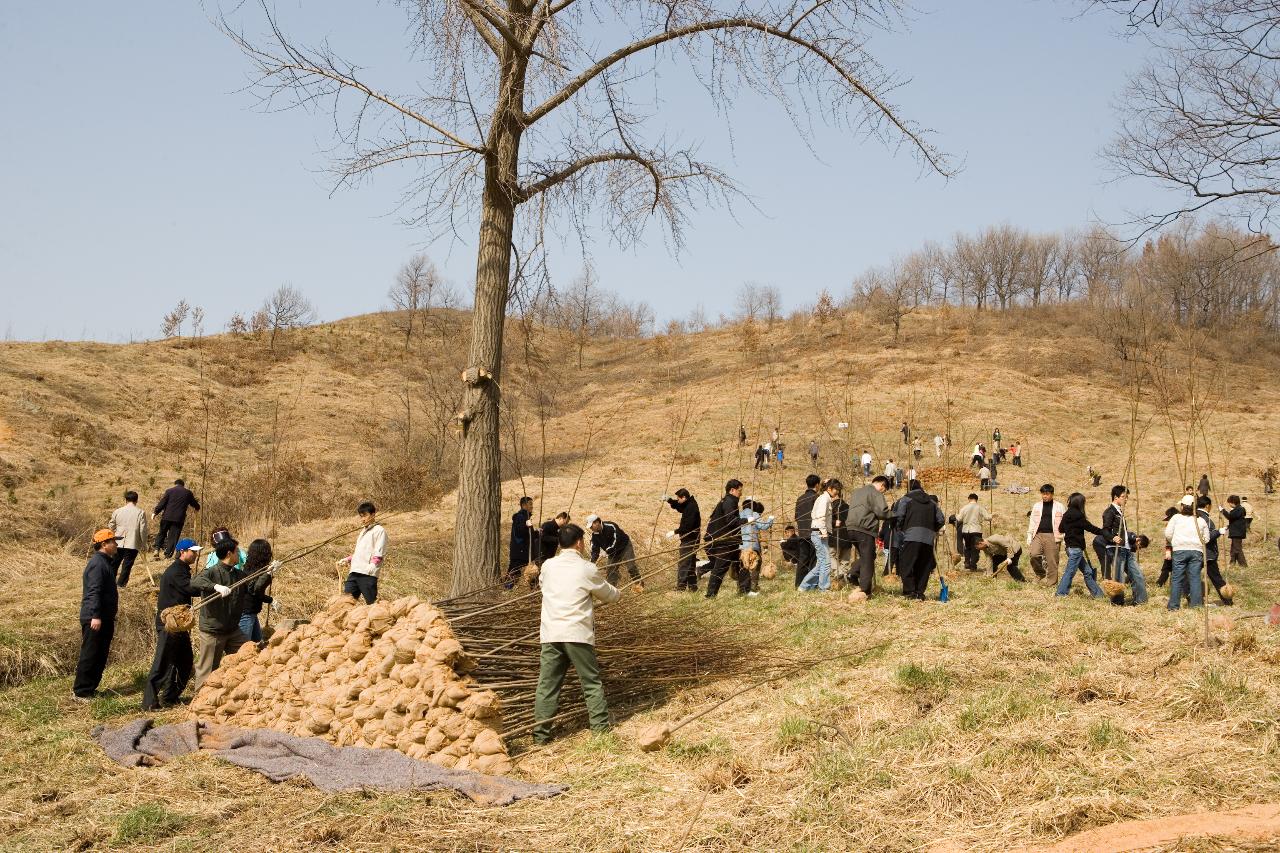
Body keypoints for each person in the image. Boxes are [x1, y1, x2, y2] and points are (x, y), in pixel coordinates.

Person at [532, 523, 620, 745]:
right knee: (591, 683)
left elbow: (544, 586)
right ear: (580, 542)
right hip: (577, 634)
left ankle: (540, 736)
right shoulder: (586, 568)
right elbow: (608, 595)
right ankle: (600, 732)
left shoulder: (549, 566)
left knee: (547, 685)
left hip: (551, 633)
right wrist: (619, 593)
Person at [190, 536, 272, 691]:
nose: (240, 555)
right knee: (207, 668)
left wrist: (268, 573)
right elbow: (194, 582)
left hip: (233, 630)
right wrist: (215, 587)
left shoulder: (238, 574)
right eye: (237, 552)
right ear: (229, 553)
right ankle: (200, 701)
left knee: (248, 655)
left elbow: (254, 588)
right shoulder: (212, 572)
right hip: (213, 630)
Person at [143, 538, 199, 710]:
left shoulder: (182, 570)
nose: (196, 554)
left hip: (179, 625)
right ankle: (149, 703)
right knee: (162, 664)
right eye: (193, 551)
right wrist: (212, 585)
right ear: (182, 552)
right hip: (169, 625)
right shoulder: (176, 572)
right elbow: (192, 589)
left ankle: (170, 697)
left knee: (185, 662)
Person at [74, 529, 121, 699]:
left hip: (104, 617)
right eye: (113, 541)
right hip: (95, 618)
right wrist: (95, 615)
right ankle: (81, 692)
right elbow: (93, 591)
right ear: (104, 544)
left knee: (100, 654)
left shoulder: (105, 562)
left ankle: (90, 689)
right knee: (91, 654)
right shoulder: (97, 564)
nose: (116, 544)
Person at [1098, 486, 1148, 606]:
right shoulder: (1109, 512)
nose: (1126, 499)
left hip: (1126, 549)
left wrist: (1130, 540)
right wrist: (1112, 537)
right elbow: (1104, 530)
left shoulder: (1120, 511)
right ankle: (1117, 603)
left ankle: (1140, 601)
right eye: (1124, 497)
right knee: (1118, 579)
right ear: (1116, 497)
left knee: (1138, 575)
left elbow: (1123, 532)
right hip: (1115, 549)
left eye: (1127, 497)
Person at [895, 481, 945, 600]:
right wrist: (932, 530)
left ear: (908, 488)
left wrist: (901, 529)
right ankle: (919, 592)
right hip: (928, 538)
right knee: (924, 566)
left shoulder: (906, 499)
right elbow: (941, 519)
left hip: (911, 535)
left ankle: (909, 592)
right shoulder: (932, 502)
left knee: (906, 563)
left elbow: (899, 516)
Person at [1055, 493, 1108, 599]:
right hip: (1076, 549)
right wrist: (1105, 532)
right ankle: (1060, 593)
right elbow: (1090, 528)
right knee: (1070, 572)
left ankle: (1098, 595)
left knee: (1087, 572)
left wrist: (1071, 528)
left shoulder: (1067, 514)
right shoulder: (1078, 515)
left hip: (1069, 548)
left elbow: (1061, 529)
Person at [846, 476, 890, 596]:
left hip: (850, 528)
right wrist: (894, 515)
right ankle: (865, 589)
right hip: (865, 529)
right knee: (868, 559)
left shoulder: (857, 492)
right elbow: (882, 512)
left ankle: (853, 572)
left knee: (868, 556)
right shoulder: (875, 493)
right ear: (882, 485)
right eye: (884, 490)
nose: (883, 492)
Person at [1165, 495, 1210, 610]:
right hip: (1196, 551)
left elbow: (1168, 533)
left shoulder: (1176, 518)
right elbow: (1206, 538)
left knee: (1177, 578)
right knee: (1195, 578)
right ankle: (1196, 606)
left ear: (1183, 506)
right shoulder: (1200, 520)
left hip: (1180, 550)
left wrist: (1175, 542)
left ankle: (1174, 606)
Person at [336, 502, 387, 604]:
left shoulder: (379, 531)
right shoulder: (363, 532)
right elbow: (360, 552)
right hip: (354, 572)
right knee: (345, 603)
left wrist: (373, 564)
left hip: (367, 573)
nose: (363, 519)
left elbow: (379, 551)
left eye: (365, 515)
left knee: (371, 603)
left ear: (373, 515)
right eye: (361, 516)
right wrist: (348, 559)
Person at [703, 480, 746, 597]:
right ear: (732, 490)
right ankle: (710, 595)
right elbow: (731, 521)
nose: (741, 493)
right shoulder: (729, 501)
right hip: (724, 542)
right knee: (720, 568)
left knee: (740, 564)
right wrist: (746, 521)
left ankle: (744, 590)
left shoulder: (727, 501)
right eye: (739, 490)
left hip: (727, 541)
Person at [799, 480, 839, 591]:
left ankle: (804, 587)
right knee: (826, 563)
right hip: (819, 533)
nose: (837, 492)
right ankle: (824, 588)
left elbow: (814, 514)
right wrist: (823, 531)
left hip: (818, 533)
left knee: (821, 563)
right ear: (829, 488)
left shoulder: (824, 499)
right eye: (836, 489)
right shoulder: (824, 499)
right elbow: (820, 516)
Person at [588, 515, 643, 589]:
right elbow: (594, 550)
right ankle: (612, 591)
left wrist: (607, 550)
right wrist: (592, 562)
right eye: (590, 527)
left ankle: (639, 584)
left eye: (592, 526)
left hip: (624, 547)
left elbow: (616, 541)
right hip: (612, 553)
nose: (591, 528)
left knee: (631, 567)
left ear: (597, 522)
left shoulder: (611, 526)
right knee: (610, 571)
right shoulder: (594, 535)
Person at [237, 539, 275, 644]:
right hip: (246, 612)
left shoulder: (249, 567)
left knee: (258, 643)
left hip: (250, 611)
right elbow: (256, 590)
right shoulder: (259, 571)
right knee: (244, 646)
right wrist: (268, 575)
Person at [151, 478, 200, 559]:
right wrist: (197, 507)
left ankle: (157, 548)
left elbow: (162, 503)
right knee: (173, 537)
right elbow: (194, 504)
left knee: (162, 533)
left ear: (175, 484)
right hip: (179, 518)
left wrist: (155, 512)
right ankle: (167, 554)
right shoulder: (188, 493)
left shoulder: (169, 491)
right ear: (183, 485)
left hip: (166, 516)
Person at [108, 490, 148, 588]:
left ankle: (109, 583)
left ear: (125, 500)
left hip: (118, 541)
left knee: (114, 563)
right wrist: (143, 543)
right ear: (136, 500)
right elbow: (143, 530)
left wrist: (115, 532)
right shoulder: (140, 512)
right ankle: (121, 585)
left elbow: (110, 525)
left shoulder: (118, 511)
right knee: (127, 565)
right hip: (133, 542)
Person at [1026, 484, 1065, 584]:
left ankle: (1051, 582)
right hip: (1038, 534)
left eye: (1047, 494)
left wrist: (1064, 536)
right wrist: (1029, 536)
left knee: (1052, 561)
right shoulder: (1037, 506)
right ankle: (1040, 573)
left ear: (1052, 494)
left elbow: (1065, 522)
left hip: (1053, 535)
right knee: (1034, 554)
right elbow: (1032, 521)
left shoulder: (1059, 506)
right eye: (1043, 494)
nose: (1044, 496)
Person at [664, 490, 702, 592]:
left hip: (690, 539)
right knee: (690, 563)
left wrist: (675, 532)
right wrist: (669, 501)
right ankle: (693, 587)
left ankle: (680, 588)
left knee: (684, 563)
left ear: (684, 497)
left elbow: (688, 526)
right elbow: (680, 507)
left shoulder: (692, 508)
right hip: (692, 539)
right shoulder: (689, 504)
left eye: (678, 498)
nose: (677, 500)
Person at [740, 499, 774, 596]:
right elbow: (764, 526)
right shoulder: (754, 514)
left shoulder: (739, 514)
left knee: (743, 567)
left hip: (741, 546)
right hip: (752, 545)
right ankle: (753, 588)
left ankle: (742, 588)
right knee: (755, 566)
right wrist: (770, 519)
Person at [956, 494, 990, 571]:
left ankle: (967, 562)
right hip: (976, 530)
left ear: (969, 499)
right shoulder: (980, 507)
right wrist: (991, 516)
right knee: (976, 548)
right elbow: (988, 517)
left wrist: (956, 515)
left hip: (966, 530)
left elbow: (959, 518)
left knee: (967, 547)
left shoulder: (964, 508)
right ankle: (973, 565)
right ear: (976, 499)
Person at [507, 496, 535, 588]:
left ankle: (532, 590)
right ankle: (507, 589)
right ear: (524, 505)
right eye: (530, 504)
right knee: (514, 572)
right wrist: (527, 526)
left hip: (524, 551)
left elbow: (529, 534)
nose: (532, 506)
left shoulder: (526, 518)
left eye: (532, 504)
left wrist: (537, 533)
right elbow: (519, 532)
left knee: (528, 572)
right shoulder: (519, 517)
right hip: (519, 551)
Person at [780, 524, 817, 589]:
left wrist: (782, 543)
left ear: (792, 531)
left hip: (797, 558)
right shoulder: (795, 538)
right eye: (786, 533)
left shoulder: (793, 539)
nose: (787, 534)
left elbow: (786, 547)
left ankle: (800, 585)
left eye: (788, 532)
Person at [1221, 496, 1248, 567]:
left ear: (1233, 502)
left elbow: (1230, 516)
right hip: (1236, 532)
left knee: (1237, 549)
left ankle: (1243, 565)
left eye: (1229, 503)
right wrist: (1228, 526)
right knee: (1233, 549)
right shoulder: (1237, 509)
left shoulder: (1239, 509)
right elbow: (1235, 521)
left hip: (1237, 533)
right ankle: (1232, 563)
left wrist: (1223, 511)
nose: (1229, 504)